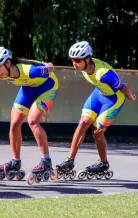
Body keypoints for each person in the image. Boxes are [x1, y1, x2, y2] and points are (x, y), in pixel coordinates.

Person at [56, 41, 136, 180]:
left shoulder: (103, 74)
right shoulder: (85, 68)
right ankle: (70, 161)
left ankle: (103, 163)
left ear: (87, 59)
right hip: (99, 94)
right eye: (72, 60)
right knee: (82, 124)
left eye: (78, 60)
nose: (74, 63)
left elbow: (123, 86)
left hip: (113, 99)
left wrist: (131, 96)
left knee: (97, 131)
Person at [0, 47, 58, 185]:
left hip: (47, 86)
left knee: (32, 121)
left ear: (8, 63)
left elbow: (49, 68)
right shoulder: (6, 72)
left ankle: (46, 160)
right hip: (29, 87)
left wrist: (48, 66)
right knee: (14, 124)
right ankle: (15, 161)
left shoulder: (29, 70)